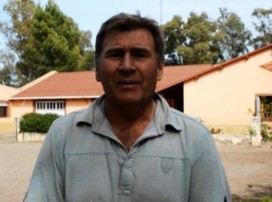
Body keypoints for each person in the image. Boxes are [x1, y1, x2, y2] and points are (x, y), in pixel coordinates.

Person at [24, 13, 231, 202]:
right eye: (115, 54)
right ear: (97, 69)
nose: (127, 66)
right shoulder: (62, 136)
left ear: (159, 69)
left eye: (140, 54)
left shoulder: (196, 139)